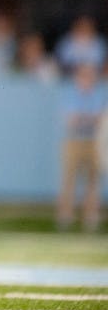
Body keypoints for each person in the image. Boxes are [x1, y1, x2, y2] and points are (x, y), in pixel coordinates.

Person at [56, 63, 106, 232]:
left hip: (92, 142)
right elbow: (71, 120)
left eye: (90, 76)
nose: (87, 80)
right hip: (74, 141)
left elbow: (99, 119)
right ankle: (65, 215)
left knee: (92, 180)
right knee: (68, 179)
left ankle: (90, 215)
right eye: (83, 76)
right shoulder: (70, 95)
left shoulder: (99, 96)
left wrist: (84, 118)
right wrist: (89, 119)